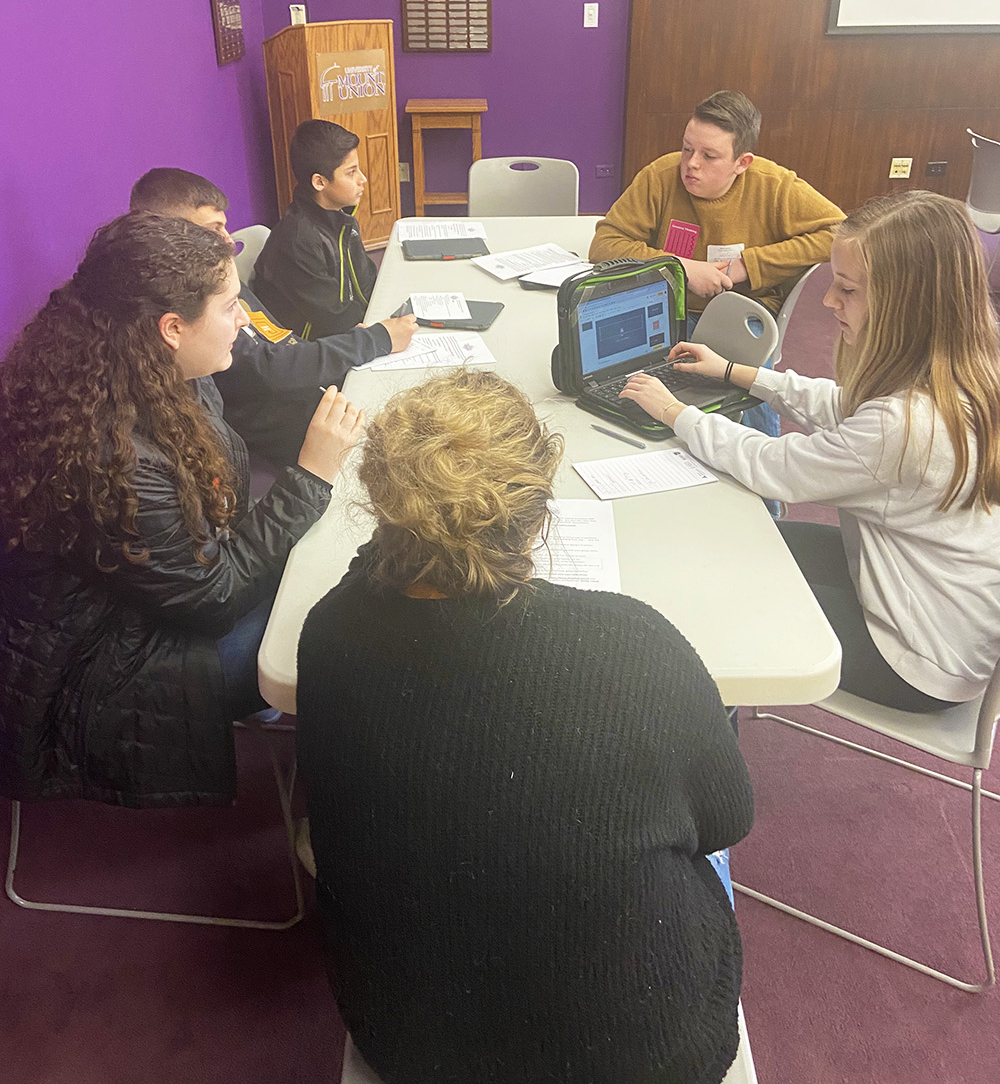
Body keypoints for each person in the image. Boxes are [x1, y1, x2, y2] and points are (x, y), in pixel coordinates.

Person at [296, 370, 754, 1084]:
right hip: (645, 1059)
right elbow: (728, 817)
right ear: (537, 518)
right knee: (700, 846)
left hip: (409, 1045)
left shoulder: (327, 633)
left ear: (386, 508)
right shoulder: (637, 645)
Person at [0, 214, 363, 808]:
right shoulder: (112, 455)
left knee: (319, 567)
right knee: (328, 612)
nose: (243, 320)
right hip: (95, 667)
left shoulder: (162, 374)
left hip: (141, 604)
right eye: (230, 306)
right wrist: (310, 477)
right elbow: (213, 598)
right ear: (172, 327)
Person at [621, 190, 1000, 713]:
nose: (828, 302)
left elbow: (776, 468)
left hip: (917, 657)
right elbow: (845, 405)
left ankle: (707, 732)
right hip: (946, 613)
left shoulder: (904, 426)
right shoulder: (963, 372)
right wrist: (739, 373)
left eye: (845, 290)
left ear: (905, 305)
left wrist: (672, 411)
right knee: (745, 545)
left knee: (709, 604)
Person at [129, 168, 415, 466]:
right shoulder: (193, 314)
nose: (227, 242)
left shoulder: (221, 284)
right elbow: (269, 368)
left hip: (300, 392)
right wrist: (371, 340)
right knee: (396, 444)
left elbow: (278, 340)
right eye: (213, 230)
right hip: (273, 424)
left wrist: (351, 343)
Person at [590, 89, 845, 317]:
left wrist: (749, 265)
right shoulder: (659, 176)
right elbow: (605, 245)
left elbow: (842, 234)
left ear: (742, 163)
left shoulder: (774, 184)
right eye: (687, 149)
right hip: (662, 308)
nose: (691, 164)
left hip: (743, 311)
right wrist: (680, 268)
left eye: (709, 156)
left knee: (725, 370)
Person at [252, 119, 382, 340]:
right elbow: (333, 320)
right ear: (319, 182)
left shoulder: (342, 220)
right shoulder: (298, 240)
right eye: (351, 173)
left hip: (342, 332)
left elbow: (366, 282)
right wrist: (381, 329)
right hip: (311, 349)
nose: (363, 179)